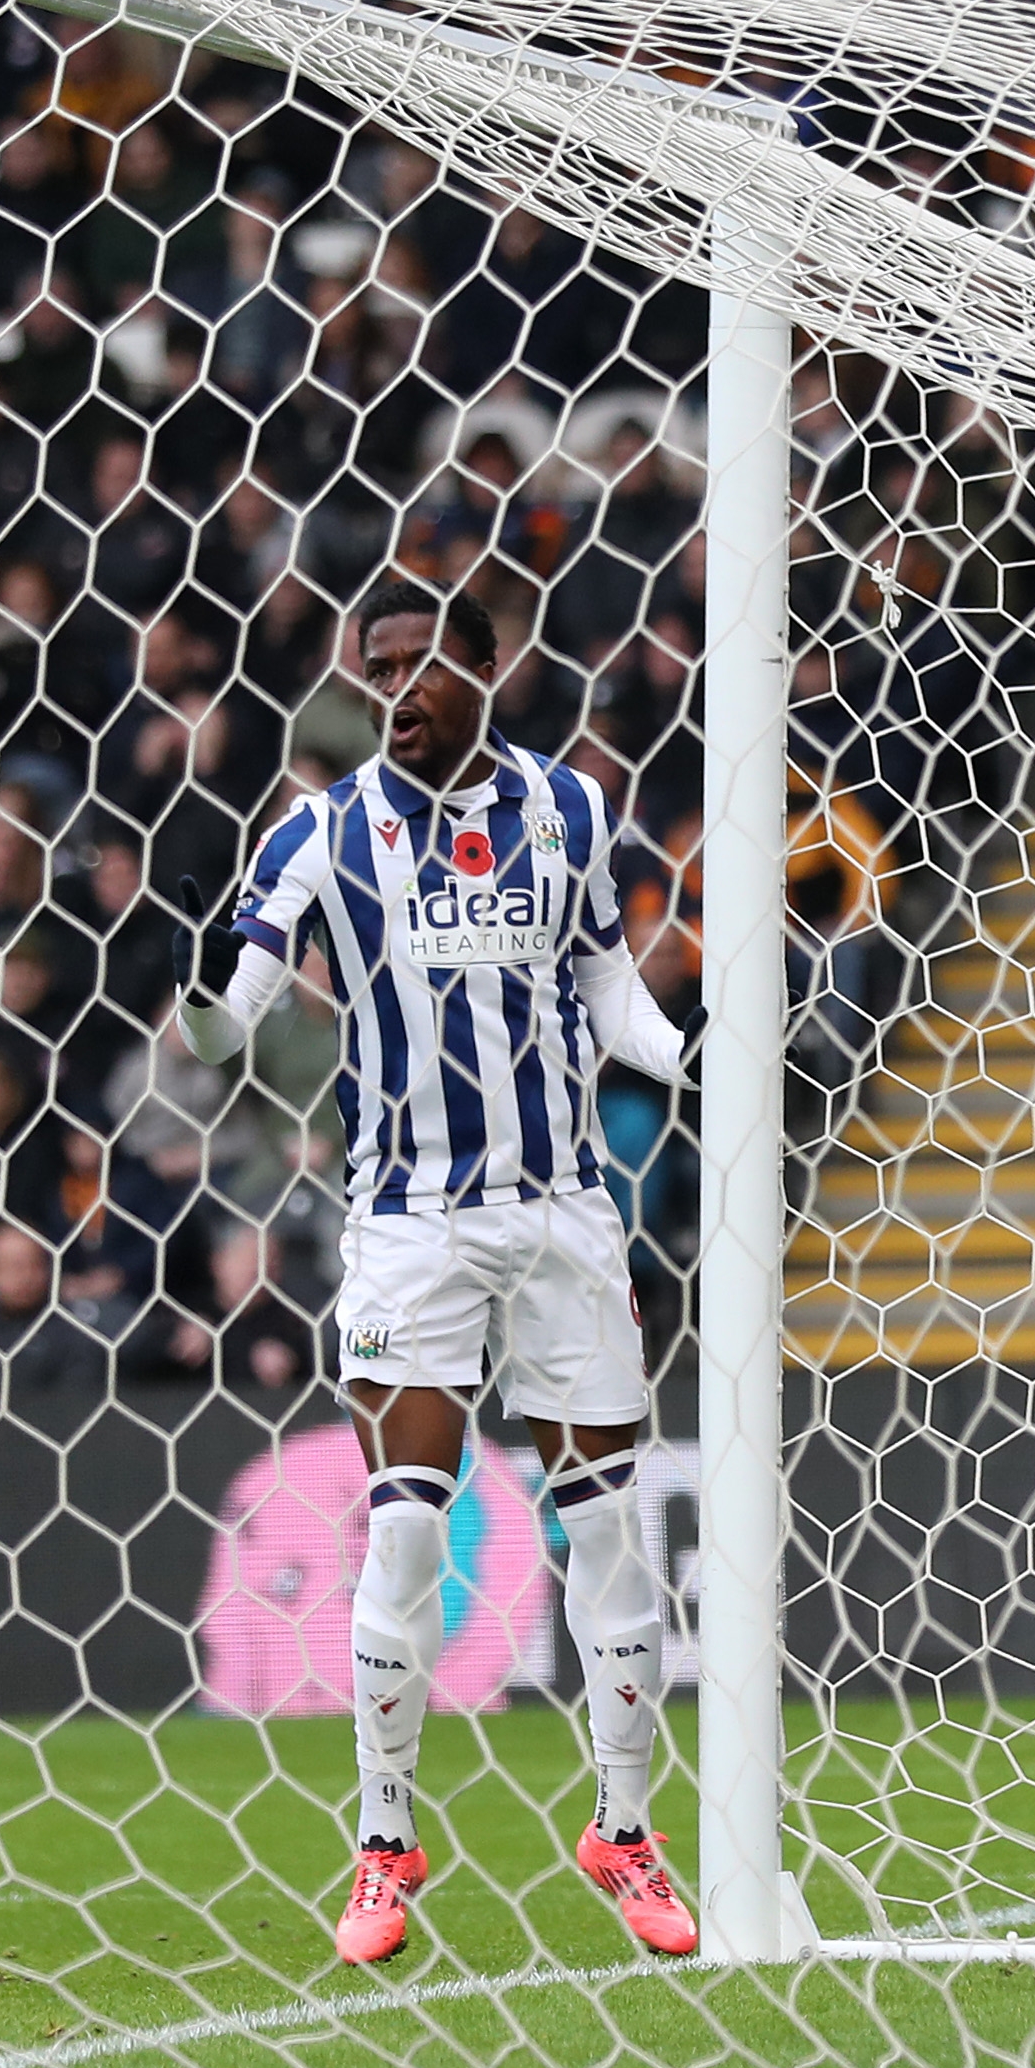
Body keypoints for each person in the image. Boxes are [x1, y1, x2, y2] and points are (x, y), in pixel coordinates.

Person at [172, 571, 696, 1966]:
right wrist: (199, 991)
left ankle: (624, 1830)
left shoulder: (569, 808)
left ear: (486, 661)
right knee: (404, 1527)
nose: (396, 692)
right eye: (375, 670)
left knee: (605, 1535)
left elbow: (601, 986)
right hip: (408, 1220)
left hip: (566, 1209)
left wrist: (691, 1056)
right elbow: (231, 1024)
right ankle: (386, 1842)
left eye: (419, 663)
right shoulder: (323, 833)